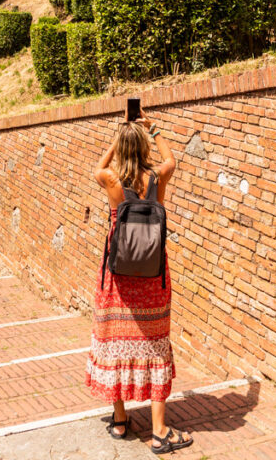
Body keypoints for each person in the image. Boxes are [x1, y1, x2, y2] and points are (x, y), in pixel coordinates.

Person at [85, 110, 194, 454]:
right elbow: (172, 160)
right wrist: (153, 128)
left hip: (117, 280)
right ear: (144, 146)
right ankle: (159, 430)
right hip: (152, 278)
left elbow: (97, 168)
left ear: (121, 148)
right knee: (155, 346)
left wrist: (119, 136)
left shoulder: (111, 181)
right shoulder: (158, 178)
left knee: (116, 342)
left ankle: (120, 421)